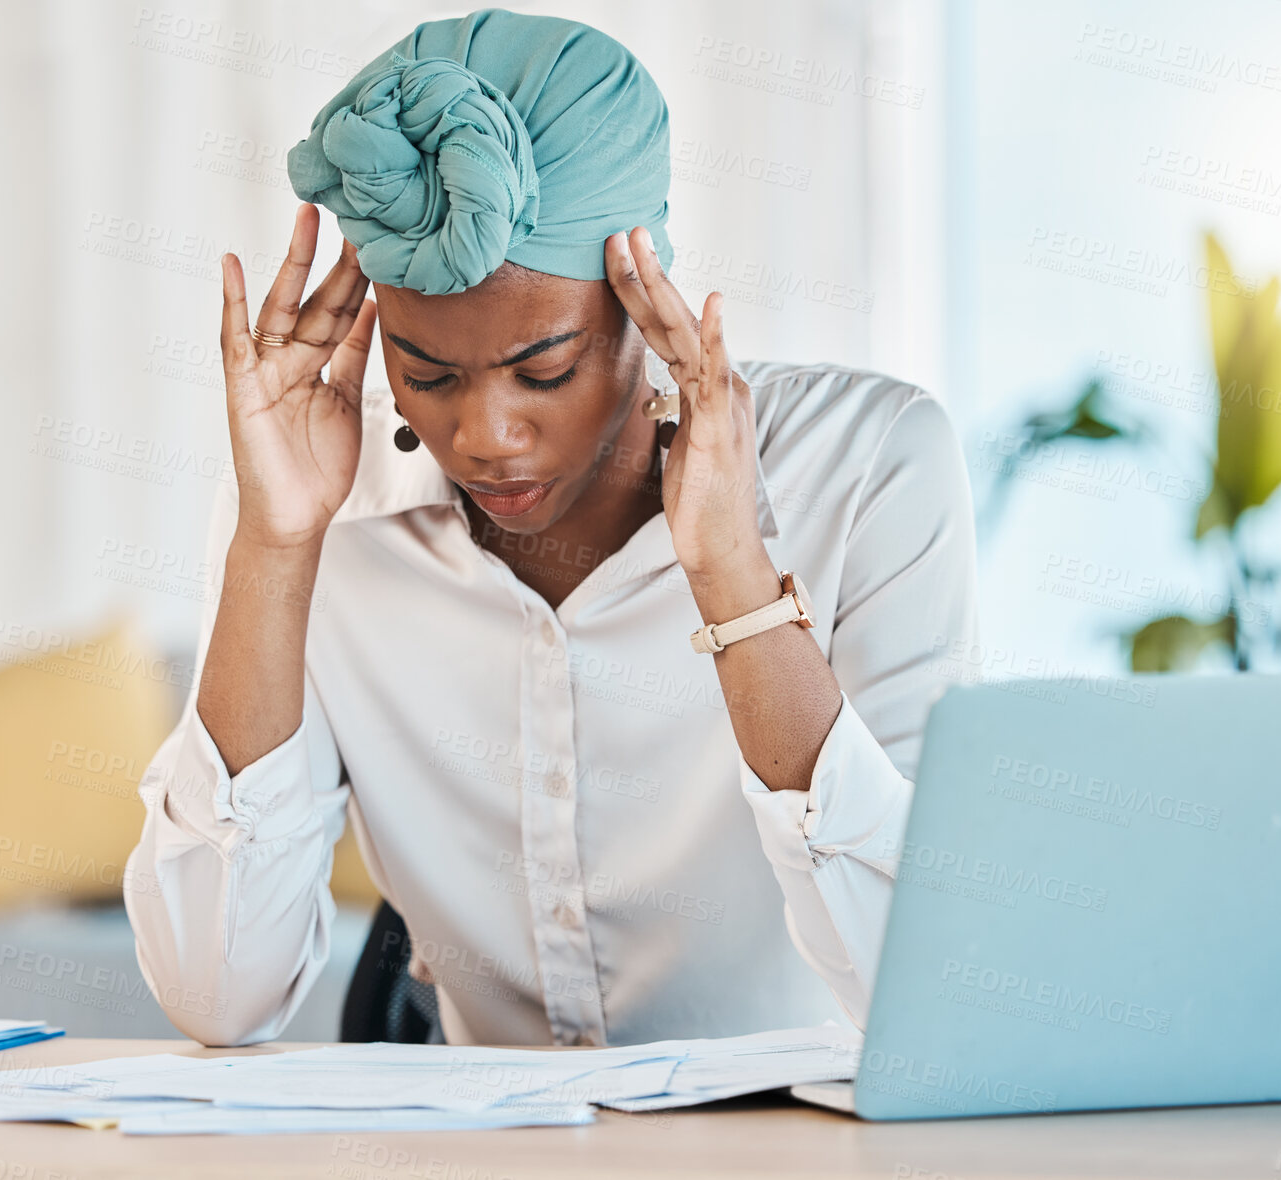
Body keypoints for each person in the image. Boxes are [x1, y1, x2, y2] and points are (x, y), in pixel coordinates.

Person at [123, 7, 978, 1048]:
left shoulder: (868, 467)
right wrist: (274, 545)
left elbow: (923, 989)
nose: (483, 437)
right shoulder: (313, 497)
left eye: (546, 370)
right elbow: (218, 995)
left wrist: (734, 578)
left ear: (641, 292)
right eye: (426, 374)